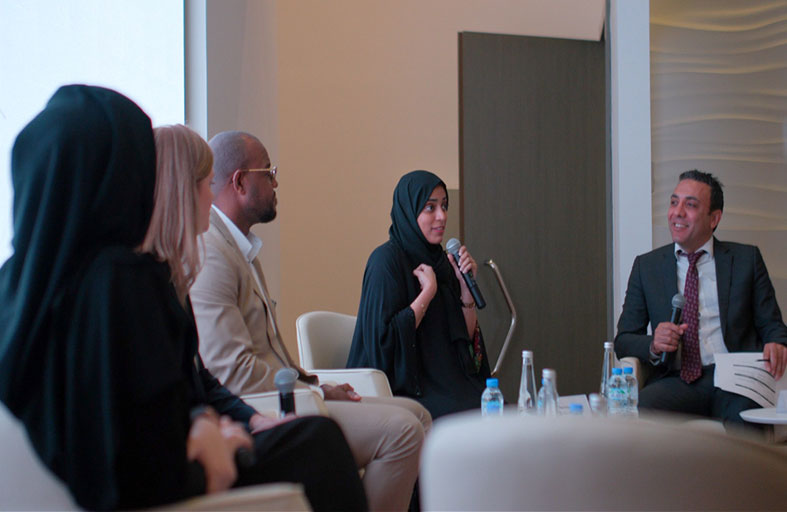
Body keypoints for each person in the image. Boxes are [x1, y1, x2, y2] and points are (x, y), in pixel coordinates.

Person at [0, 86, 365, 511]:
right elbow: (147, 460)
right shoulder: (123, 280)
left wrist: (207, 423)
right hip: (171, 489)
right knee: (319, 442)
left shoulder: (17, 285)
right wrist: (216, 441)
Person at [190, 130, 430, 512]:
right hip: (264, 407)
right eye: (269, 172)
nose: (275, 183)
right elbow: (231, 371)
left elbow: (270, 357)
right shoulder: (214, 253)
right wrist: (310, 394)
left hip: (289, 394)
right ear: (240, 182)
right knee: (402, 433)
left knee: (417, 413)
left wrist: (318, 385)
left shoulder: (240, 248)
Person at [615, 169, 787, 430]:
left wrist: (776, 342)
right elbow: (624, 339)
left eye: (690, 205)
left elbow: (772, 324)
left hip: (736, 379)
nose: (677, 212)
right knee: (645, 408)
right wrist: (654, 344)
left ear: (714, 218)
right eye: (674, 202)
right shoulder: (646, 267)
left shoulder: (746, 260)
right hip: (677, 379)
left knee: (746, 421)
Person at [346, 170, 491, 419]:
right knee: (469, 417)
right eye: (430, 208)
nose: (441, 216)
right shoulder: (385, 262)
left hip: (448, 386)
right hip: (406, 391)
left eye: (444, 206)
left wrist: (466, 291)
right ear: (409, 211)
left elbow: (463, 344)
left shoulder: (444, 263)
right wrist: (427, 294)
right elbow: (383, 348)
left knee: (499, 411)